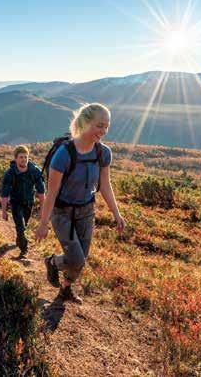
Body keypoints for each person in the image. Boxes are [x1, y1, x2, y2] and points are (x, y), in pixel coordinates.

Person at [35, 103, 125, 304]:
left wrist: (117, 215)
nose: (103, 131)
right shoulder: (64, 154)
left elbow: (105, 186)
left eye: (106, 126)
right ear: (85, 123)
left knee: (80, 261)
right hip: (62, 212)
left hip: (86, 210)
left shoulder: (103, 153)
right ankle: (52, 262)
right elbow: (52, 192)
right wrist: (43, 224)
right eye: (99, 126)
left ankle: (65, 290)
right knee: (75, 259)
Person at [1, 145, 46, 259]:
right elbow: (5, 194)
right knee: (20, 226)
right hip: (16, 203)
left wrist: (42, 210)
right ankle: (24, 250)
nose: (23, 159)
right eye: (21, 157)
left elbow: (41, 191)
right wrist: (4, 211)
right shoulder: (10, 173)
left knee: (23, 225)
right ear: (15, 159)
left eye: (25, 157)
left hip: (29, 203)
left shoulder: (34, 171)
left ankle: (19, 238)